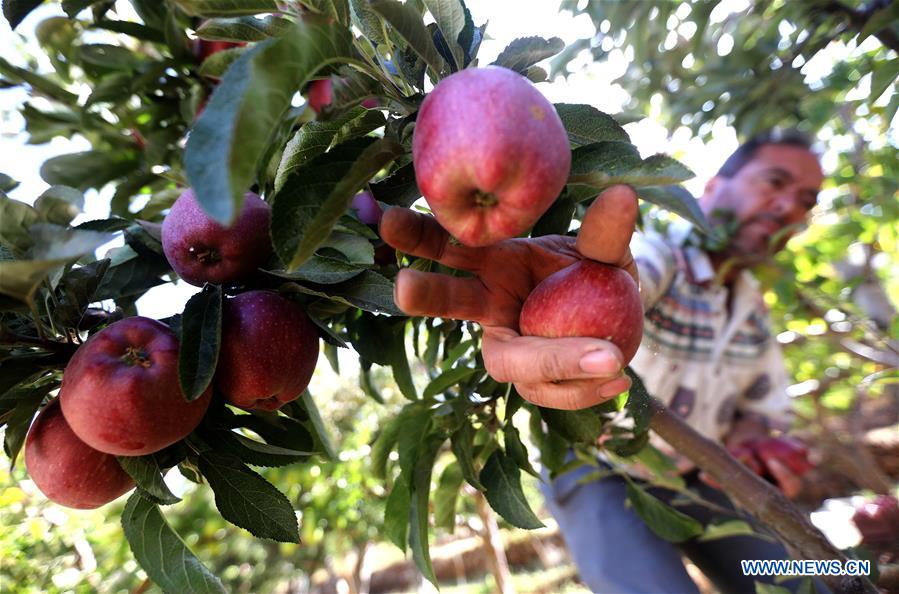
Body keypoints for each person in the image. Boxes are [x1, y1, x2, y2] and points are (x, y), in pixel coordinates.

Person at [379, 131, 826, 593]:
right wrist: (583, 288)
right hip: (598, 468)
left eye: (805, 202)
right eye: (774, 182)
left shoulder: (752, 313)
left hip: (701, 477)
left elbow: (760, 408)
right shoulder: (662, 254)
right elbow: (633, 279)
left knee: (815, 580)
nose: (788, 207)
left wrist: (755, 446)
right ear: (712, 187)